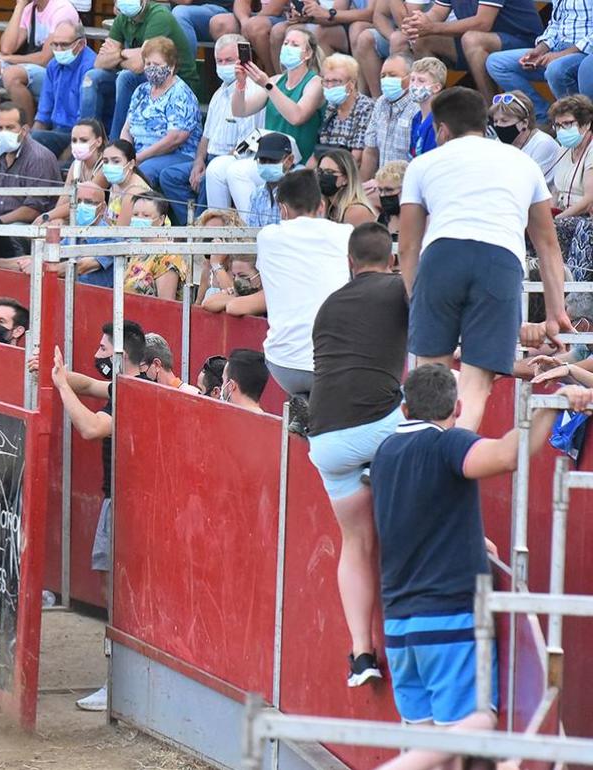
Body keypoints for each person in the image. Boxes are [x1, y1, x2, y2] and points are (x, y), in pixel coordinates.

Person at [371, 366, 592, 770]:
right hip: (448, 622)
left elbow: (419, 514)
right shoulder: (447, 444)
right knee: (469, 735)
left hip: (400, 629)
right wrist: (554, 402)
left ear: (404, 408)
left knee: (431, 750)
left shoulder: (385, 454)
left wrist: (472, 539)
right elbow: (509, 455)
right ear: (456, 408)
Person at [400, 87, 573, 432]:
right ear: (486, 123)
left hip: (442, 257)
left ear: (442, 129)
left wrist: (414, 296)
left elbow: (407, 246)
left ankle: (420, 451)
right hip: (500, 261)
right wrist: (556, 313)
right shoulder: (523, 163)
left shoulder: (423, 164)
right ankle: (456, 456)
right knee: (477, 383)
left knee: (430, 375)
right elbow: (548, 245)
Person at [306, 221, 408, 688]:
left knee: (356, 542)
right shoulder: (398, 290)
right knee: (437, 413)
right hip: (381, 427)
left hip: (325, 440)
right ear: (390, 261)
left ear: (350, 263)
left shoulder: (328, 306)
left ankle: (361, 654)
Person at [50, 318, 146, 712]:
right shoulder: (135, 386)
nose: (98, 356)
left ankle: (116, 683)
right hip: (133, 505)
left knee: (116, 598)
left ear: (122, 356)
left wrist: (58, 386)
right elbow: (88, 386)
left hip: (123, 506)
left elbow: (90, 427)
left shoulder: (128, 395)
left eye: (104, 350)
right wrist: (57, 372)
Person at [242, 168, 352, 433]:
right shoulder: (345, 233)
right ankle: (314, 410)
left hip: (283, 364)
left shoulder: (267, 236)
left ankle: (306, 406)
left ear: (282, 209)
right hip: (333, 364)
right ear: (322, 205)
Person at [80, 0, 198, 140]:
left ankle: (117, 142)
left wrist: (118, 54)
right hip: (145, 76)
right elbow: (99, 62)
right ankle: (87, 138)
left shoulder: (159, 16)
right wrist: (124, 54)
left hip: (173, 78)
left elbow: (140, 65)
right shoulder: (122, 19)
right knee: (92, 77)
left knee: (125, 77)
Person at [122, 37, 203, 221]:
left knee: (143, 172)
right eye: (148, 63)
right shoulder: (141, 91)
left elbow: (175, 139)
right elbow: (127, 128)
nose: (151, 68)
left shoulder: (180, 93)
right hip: (140, 154)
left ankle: (137, 224)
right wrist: (125, 156)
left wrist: (138, 158)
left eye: (157, 64)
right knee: (114, 166)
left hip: (178, 155)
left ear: (172, 66)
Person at [400, 0, 542, 101]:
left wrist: (432, 27)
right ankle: (437, 108)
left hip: (525, 44)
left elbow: (483, 23)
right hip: (482, 42)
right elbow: (436, 13)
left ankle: (491, 114)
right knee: (421, 39)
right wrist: (417, 23)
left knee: (472, 39)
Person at [190, 34, 266, 213]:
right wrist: (199, 161)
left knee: (212, 174)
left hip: (232, 160)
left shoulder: (253, 92)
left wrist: (210, 166)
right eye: (220, 61)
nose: (224, 66)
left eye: (229, 60)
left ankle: (206, 233)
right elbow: (206, 136)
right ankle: (190, 226)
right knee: (170, 176)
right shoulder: (219, 92)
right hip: (209, 156)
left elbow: (247, 143)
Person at [484, 0, 593, 125]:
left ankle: (577, 123)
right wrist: (540, 49)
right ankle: (544, 116)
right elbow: (555, 24)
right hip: (556, 48)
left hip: (585, 52)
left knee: (555, 69)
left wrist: (562, 54)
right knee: (496, 63)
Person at [0, 0, 78, 123]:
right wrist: (19, 6)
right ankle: (2, 126)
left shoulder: (61, 9)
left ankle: (26, 134)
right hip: (34, 69)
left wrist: (10, 59)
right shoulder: (29, 9)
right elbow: (7, 48)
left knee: (12, 75)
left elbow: (44, 59)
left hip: (59, 73)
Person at [233, 26, 324, 166]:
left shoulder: (315, 82)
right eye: (286, 43)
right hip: (270, 156)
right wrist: (240, 83)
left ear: (308, 53)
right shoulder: (276, 80)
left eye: (295, 45)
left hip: (296, 161)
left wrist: (267, 85)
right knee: (218, 168)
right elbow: (241, 111)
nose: (288, 47)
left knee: (238, 172)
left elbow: (297, 117)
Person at [0, 102, 63, 223]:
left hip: (30, 227)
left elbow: (34, 210)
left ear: (24, 130)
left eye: (10, 128)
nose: (3, 133)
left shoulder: (38, 158)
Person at [31, 21, 98, 158]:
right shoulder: (53, 65)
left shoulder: (91, 68)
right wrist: (28, 145)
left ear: (81, 44)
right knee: (26, 141)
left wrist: (63, 161)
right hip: (57, 131)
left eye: (64, 45)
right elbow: (43, 114)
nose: (59, 50)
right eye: (55, 44)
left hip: (83, 138)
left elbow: (85, 126)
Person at [545, 95, 593, 280]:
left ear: (586, 124)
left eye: (568, 124)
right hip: (564, 213)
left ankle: (576, 293)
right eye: (558, 125)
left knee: (560, 227)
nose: (562, 130)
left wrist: (557, 218)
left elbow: (589, 198)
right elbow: (556, 190)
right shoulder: (563, 149)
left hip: (583, 216)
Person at [359, 53, 418, 181]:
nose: (386, 80)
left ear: (410, 79)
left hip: (407, 185)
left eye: (392, 75)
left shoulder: (417, 108)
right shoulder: (380, 103)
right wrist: (360, 192)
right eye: (383, 76)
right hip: (381, 185)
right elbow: (370, 151)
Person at [37, 118, 105, 223]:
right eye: (74, 140)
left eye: (84, 140)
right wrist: (55, 219)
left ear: (98, 141)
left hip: (96, 220)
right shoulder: (76, 164)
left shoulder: (104, 166)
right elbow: (64, 199)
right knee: (54, 224)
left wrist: (46, 216)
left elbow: (85, 198)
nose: (78, 144)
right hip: (76, 217)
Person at [124, 193, 187, 299]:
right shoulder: (137, 250)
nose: (139, 219)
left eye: (146, 216)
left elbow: (166, 303)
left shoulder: (168, 257)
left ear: (161, 220)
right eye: (135, 214)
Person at [489, 90, 560, 184]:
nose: (498, 126)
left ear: (524, 123)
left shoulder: (542, 144)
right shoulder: (498, 143)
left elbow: (532, 187)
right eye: (495, 121)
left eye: (504, 121)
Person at [317, 54, 375, 162]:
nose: (329, 87)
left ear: (351, 84)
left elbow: (356, 156)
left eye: (336, 81)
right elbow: (320, 149)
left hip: (348, 169)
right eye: (326, 81)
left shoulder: (365, 107)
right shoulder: (330, 106)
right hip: (326, 164)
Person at [209, 0, 285, 76]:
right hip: (256, 16)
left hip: (284, 17)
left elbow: (275, 9)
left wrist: (250, 24)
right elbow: (241, 2)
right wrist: (244, 21)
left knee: (256, 27)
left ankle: (271, 77)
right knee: (220, 24)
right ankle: (234, 78)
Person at [192, 207, 248, 304]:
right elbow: (198, 304)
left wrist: (217, 265)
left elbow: (236, 299)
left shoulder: (241, 267)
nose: (212, 241)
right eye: (208, 237)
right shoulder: (208, 268)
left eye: (217, 235)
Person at [244, 131, 299, 226]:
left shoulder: (299, 194)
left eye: (273, 160)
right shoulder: (256, 195)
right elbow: (251, 234)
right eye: (263, 160)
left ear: (290, 160)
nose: (267, 164)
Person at [353, 0, 406, 96]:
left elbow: (407, 22)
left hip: (424, 33)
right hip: (396, 33)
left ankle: (404, 98)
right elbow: (378, 16)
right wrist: (391, 36)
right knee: (365, 38)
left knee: (398, 39)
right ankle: (377, 100)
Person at [100, 138, 152, 226]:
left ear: (131, 164)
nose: (109, 166)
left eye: (116, 161)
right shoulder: (116, 182)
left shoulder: (135, 191)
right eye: (106, 161)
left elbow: (120, 232)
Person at [318, 148, 376, 226]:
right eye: (320, 171)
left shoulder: (356, 211)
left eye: (330, 172)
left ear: (346, 179)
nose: (323, 176)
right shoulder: (330, 208)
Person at [407, 57, 447, 157]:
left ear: (436, 87)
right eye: (412, 79)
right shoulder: (417, 118)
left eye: (421, 81)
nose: (414, 85)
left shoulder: (440, 120)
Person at [219, 347, 268, 413]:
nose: (222, 387)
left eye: (223, 381)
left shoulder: (226, 422)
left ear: (231, 385)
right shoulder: (273, 422)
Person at [373, 159, 406, 237]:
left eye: (389, 190)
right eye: (380, 190)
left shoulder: (421, 221)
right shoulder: (380, 220)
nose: (383, 195)